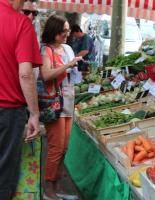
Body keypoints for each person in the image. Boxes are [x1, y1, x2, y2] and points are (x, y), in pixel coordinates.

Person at [0, 0, 42, 199]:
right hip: (7, 112)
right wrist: (34, 113)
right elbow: (25, 74)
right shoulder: (20, 23)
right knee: (3, 176)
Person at [40, 15, 82, 200]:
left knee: (64, 148)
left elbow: (70, 73)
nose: (67, 34)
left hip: (68, 100)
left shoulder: (67, 48)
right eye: (63, 31)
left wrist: (77, 68)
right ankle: (48, 190)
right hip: (54, 103)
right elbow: (46, 75)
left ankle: (56, 189)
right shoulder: (45, 50)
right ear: (54, 31)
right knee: (56, 148)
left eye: (67, 30)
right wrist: (68, 65)